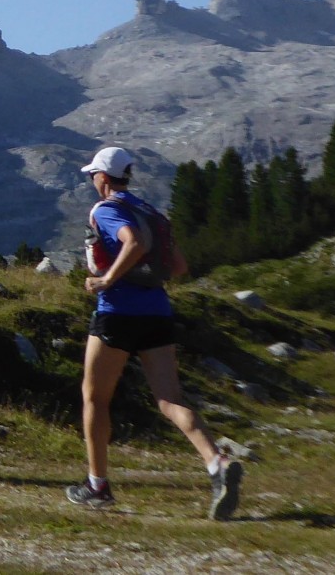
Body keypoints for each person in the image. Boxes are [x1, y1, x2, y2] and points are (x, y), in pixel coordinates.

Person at [68, 146, 243, 520]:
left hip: (117, 313)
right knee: (169, 399)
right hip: (158, 312)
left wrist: (107, 280)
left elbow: (133, 242)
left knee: (95, 398)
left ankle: (97, 485)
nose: (91, 182)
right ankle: (217, 462)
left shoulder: (107, 209)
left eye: (92, 175)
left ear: (103, 177)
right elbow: (178, 266)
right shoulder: (152, 212)